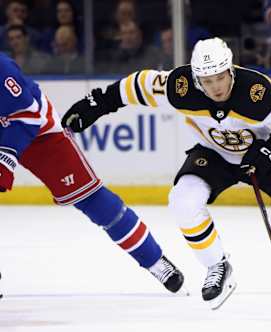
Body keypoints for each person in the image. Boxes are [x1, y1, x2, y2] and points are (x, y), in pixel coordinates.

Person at [61, 37, 271, 310]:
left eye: (221, 78)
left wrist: (265, 155)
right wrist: (95, 105)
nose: (216, 87)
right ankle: (217, 266)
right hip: (215, 153)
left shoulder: (258, 92)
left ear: (230, 71)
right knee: (182, 200)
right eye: (207, 81)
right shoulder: (180, 86)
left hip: (268, 151)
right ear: (196, 78)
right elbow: (138, 85)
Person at [0, 53, 184, 294]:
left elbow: (28, 115)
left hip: (38, 134)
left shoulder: (2, 68)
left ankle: (155, 261)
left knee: (92, 200)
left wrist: (5, 159)